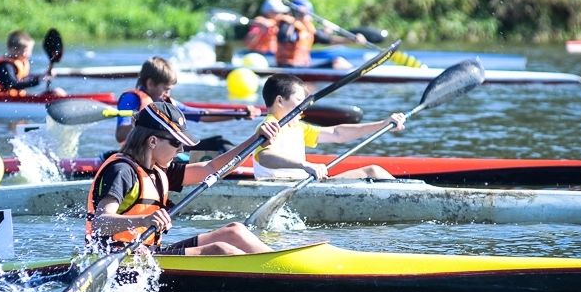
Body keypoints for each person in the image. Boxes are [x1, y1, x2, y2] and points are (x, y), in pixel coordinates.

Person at [87, 101, 281, 255]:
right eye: (176, 143)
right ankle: (277, 277)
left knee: (235, 232)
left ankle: (283, 267)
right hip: (120, 257)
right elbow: (100, 223)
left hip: (148, 253)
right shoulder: (122, 171)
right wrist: (144, 220)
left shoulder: (159, 169)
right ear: (152, 141)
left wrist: (255, 141)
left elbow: (212, 167)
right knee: (219, 250)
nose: (181, 150)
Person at [253, 74, 406, 180]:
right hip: (281, 188)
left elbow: (337, 133)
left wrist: (382, 124)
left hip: (301, 185)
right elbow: (265, 158)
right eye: (299, 100)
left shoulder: (297, 127)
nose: (304, 107)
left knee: (374, 171)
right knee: (372, 172)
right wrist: (305, 165)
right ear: (280, 100)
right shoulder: (269, 126)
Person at [115, 56, 261, 144]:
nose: (168, 93)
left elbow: (202, 115)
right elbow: (120, 135)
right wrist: (138, 118)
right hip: (140, 156)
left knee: (220, 143)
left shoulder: (167, 103)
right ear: (150, 83)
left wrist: (238, 114)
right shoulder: (131, 100)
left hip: (168, 151)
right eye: (165, 88)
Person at [276, 0, 365, 69]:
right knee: (337, 62)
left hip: (303, 67)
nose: (309, 16)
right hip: (288, 67)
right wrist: (297, 18)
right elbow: (284, 37)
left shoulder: (308, 30)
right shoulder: (286, 24)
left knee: (340, 61)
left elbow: (329, 40)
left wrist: (352, 40)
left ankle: (361, 73)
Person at [0, 30, 64, 97]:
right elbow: (13, 84)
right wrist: (39, 80)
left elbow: (26, 78)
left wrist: (42, 76)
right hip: (4, 101)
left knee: (57, 93)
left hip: (17, 99)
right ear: (13, 49)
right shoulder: (5, 65)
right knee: (56, 93)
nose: (29, 54)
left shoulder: (21, 62)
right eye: (26, 51)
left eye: (30, 51)